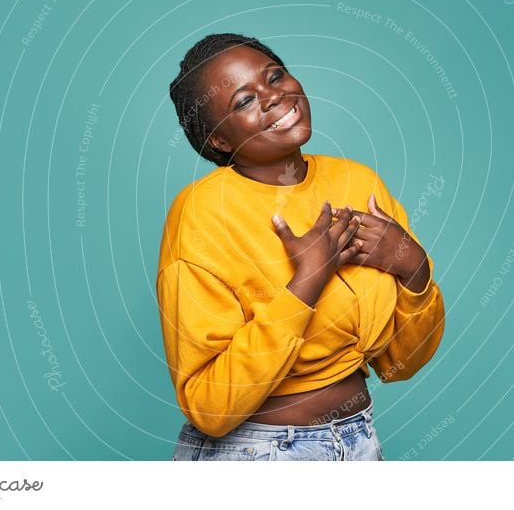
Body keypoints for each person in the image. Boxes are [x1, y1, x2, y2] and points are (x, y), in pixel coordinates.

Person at [158, 33, 445, 461]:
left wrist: (414, 268)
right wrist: (308, 279)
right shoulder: (202, 212)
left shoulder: (357, 182)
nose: (274, 97)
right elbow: (208, 407)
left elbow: (401, 363)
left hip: (359, 441)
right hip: (254, 453)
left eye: (275, 77)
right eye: (243, 101)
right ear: (217, 139)